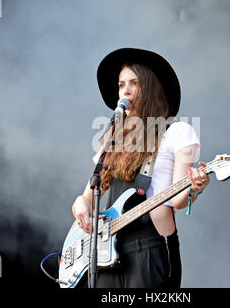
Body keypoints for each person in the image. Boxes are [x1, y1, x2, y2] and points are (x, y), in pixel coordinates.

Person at [71, 48, 210, 288]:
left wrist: (195, 187)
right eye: (121, 84)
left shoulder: (177, 131)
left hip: (148, 245)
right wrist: (80, 203)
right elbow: (90, 193)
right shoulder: (113, 135)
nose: (125, 90)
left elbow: (177, 200)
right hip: (105, 250)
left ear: (151, 88)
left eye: (134, 83)